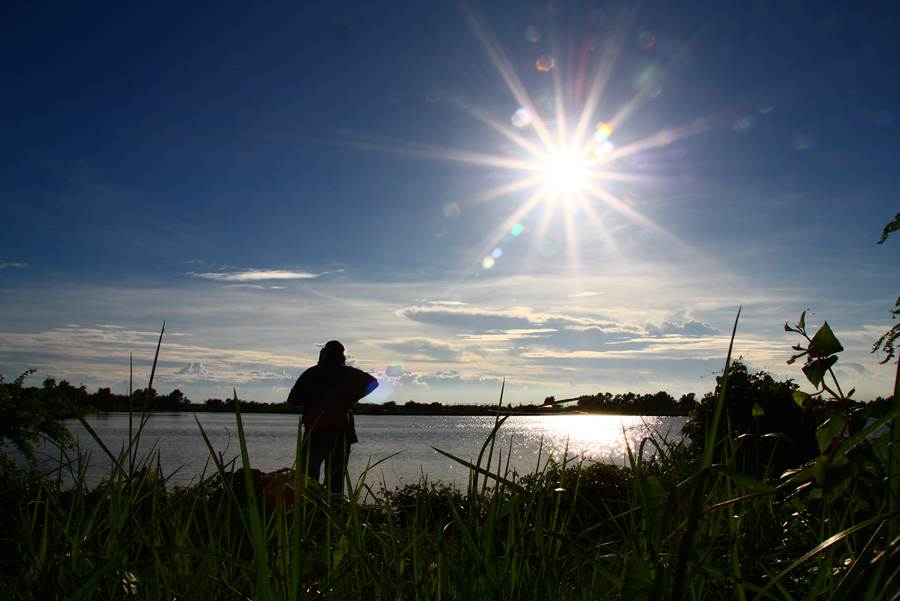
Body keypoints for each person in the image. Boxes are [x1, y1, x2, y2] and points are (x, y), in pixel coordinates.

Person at [287, 340, 378, 495]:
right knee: (335, 481)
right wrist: (348, 400)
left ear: (323, 355)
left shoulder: (311, 373)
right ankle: (334, 510)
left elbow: (292, 400)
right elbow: (373, 382)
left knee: (308, 479)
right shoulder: (348, 373)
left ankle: (310, 513)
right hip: (339, 431)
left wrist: (312, 401)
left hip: (316, 432)